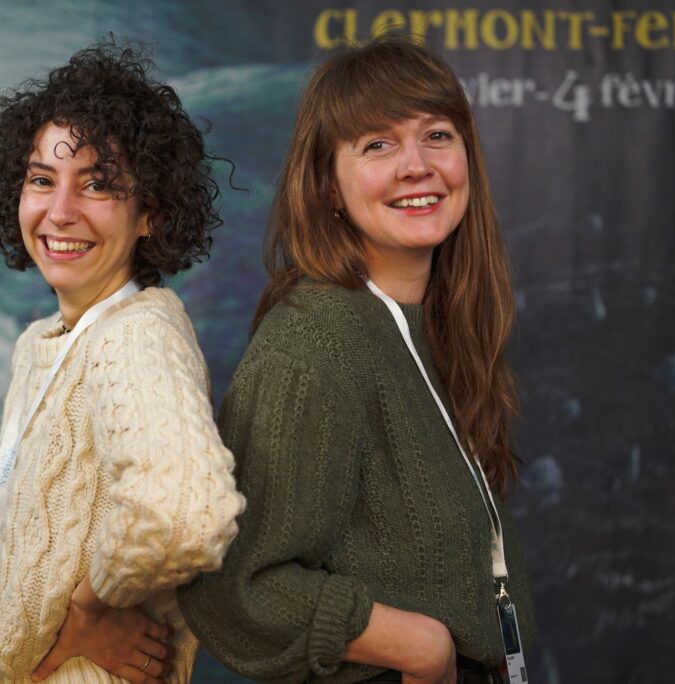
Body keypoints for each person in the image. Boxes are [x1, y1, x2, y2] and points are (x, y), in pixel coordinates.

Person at [177, 38, 536, 684]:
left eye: (437, 136)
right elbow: (234, 587)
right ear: (329, 187)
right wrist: (418, 645)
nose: (416, 165)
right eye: (378, 145)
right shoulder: (312, 342)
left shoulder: (440, 323)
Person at [0, 42, 244, 684]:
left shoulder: (137, 333)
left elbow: (184, 514)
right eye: (41, 179)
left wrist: (89, 607)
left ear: (150, 214)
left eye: (98, 185)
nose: (60, 212)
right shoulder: (43, 341)